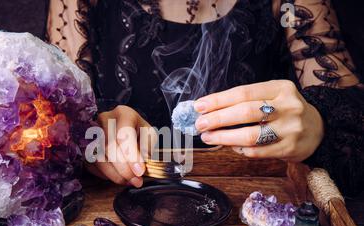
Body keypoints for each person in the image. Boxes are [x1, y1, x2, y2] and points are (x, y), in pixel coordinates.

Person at [47, 0, 364, 196]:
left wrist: (319, 124)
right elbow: (40, 121)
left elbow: (356, 118)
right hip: (118, 217)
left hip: (250, 218)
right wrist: (90, 125)